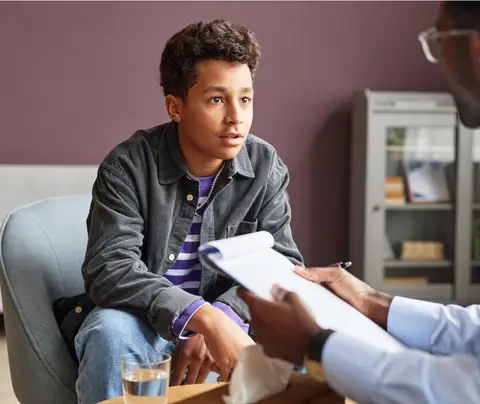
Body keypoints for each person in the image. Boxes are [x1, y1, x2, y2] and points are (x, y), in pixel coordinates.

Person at [239, 2, 480, 403]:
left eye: (439, 42)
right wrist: (371, 302)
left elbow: (459, 391)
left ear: (471, 47)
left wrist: (314, 345)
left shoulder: (266, 165)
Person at [73, 19, 303, 403]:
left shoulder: (265, 165)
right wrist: (201, 318)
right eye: (217, 99)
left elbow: (282, 262)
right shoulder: (128, 165)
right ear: (175, 107)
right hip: (143, 323)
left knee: (304, 339)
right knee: (109, 334)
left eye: (245, 98)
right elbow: (109, 268)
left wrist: (225, 318)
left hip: (231, 323)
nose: (236, 117)